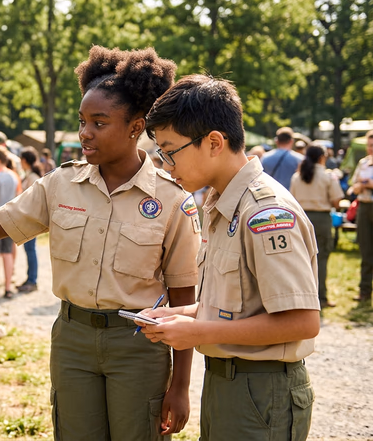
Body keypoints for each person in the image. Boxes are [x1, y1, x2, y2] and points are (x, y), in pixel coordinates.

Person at [0, 47, 199, 440]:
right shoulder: (60, 183)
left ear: (136, 127)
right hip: (73, 340)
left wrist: (180, 386)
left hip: (138, 346)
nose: (85, 132)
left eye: (99, 123)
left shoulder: (172, 200)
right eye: (83, 121)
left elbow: (183, 296)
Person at [141, 74, 320, 441]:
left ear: (213, 143)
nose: (165, 165)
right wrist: (178, 315)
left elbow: (302, 321)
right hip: (229, 382)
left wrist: (196, 331)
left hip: (262, 389)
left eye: (170, 152)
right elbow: (236, 306)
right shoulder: (222, 204)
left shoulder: (265, 214)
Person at [290, 145, 344, 308]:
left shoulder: (297, 176)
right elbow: (337, 201)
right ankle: (320, 297)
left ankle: (301, 297)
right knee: (321, 258)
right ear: (322, 157)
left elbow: (291, 199)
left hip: (301, 218)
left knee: (301, 259)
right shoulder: (328, 176)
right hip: (321, 219)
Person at [0, 146, 21, 299]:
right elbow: (19, 197)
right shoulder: (15, 176)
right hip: (11, 218)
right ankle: (8, 288)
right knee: (7, 253)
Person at [348, 129, 373, 302]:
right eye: (369, 145)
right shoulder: (363, 163)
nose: (371, 148)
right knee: (365, 250)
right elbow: (354, 184)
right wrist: (359, 186)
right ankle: (365, 291)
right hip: (364, 207)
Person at [16, 147, 42, 293]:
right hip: (29, 219)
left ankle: (32, 280)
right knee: (29, 250)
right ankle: (30, 279)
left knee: (30, 250)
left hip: (31, 220)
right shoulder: (30, 175)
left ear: (24, 160)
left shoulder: (32, 178)